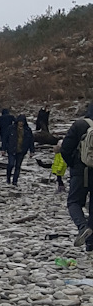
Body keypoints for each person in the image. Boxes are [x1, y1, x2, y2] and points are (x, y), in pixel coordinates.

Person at [59, 103, 93, 249]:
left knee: (73, 202)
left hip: (80, 171)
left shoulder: (79, 125)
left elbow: (65, 149)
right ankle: (91, 244)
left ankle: (82, 227)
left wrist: (73, 164)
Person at [7, 113, 35, 185]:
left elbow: (31, 141)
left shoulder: (28, 130)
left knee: (18, 166)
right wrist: (4, 148)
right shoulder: (11, 128)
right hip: (11, 149)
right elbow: (6, 138)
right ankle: (8, 178)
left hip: (22, 150)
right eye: (20, 121)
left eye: (22, 122)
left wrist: (32, 150)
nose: (21, 123)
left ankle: (15, 181)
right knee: (11, 164)